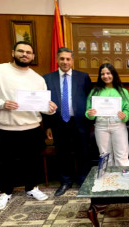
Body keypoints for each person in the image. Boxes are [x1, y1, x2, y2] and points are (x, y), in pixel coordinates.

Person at [0, 41, 57, 210]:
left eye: (28, 52)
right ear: (13, 52)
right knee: (6, 163)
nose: (25, 54)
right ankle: (5, 192)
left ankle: (31, 188)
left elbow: (42, 107)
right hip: (5, 128)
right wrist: (1, 104)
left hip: (32, 127)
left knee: (32, 161)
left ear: (33, 56)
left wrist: (50, 109)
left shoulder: (38, 79)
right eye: (21, 51)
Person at [43, 47, 92, 197]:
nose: (65, 62)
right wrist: (48, 125)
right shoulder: (47, 78)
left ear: (72, 60)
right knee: (62, 153)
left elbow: (89, 99)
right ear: (57, 60)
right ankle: (65, 181)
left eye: (68, 59)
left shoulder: (83, 77)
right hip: (58, 121)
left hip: (79, 121)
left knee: (83, 152)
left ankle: (83, 180)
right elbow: (44, 103)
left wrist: (90, 120)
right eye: (62, 59)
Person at [86, 64, 129, 166]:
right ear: (100, 76)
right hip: (101, 126)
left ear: (113, 74)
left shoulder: (123, 92)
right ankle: (107, 181)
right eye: (102, 74)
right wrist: (90, 114)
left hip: (118, 125)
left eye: (108, 73)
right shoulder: (94, 92)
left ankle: (123, 180)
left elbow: (127, 110)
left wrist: (125, 116)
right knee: (105, 156)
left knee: (121, 156)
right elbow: (88, 111)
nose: (106, 76)